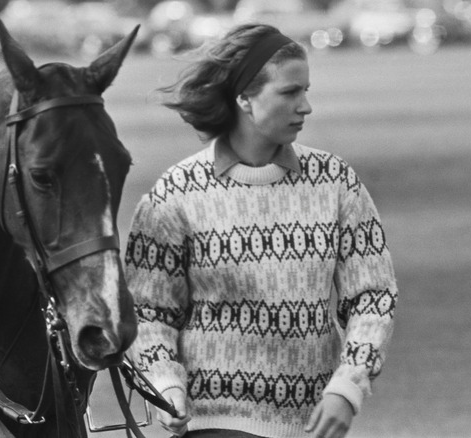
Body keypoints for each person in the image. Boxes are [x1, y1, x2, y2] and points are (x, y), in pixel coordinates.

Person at [124, 23, 398, 438]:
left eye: (306, 90)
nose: (305, 106)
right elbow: (147, 310)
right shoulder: (175, 194)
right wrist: (166, 383)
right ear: (244, 99)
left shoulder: (335, 181)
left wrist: (348, 386)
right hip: (214, 422)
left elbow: (373, 295)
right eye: (290, 92)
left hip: (312, 426)